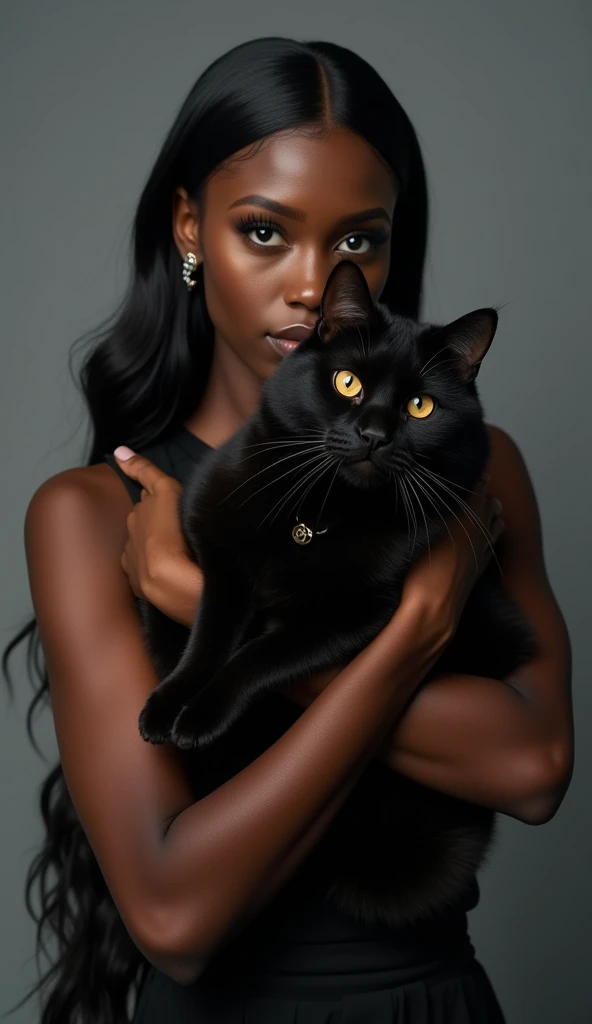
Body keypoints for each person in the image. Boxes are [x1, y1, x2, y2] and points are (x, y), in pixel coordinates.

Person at [3, 36, 573, 1024]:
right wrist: (414, 632)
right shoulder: (98, 515)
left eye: (358, 239)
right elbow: (177, 915)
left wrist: (208, 608)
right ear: (190, 228)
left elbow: (531, 768)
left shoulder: (469, 470)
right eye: (265, 232)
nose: (313, 285)